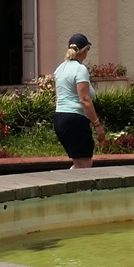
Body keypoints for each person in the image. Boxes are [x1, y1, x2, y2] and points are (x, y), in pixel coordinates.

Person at [53, 33, 106, 168]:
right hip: (75, 120)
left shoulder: (60, 69)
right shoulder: (80, 69)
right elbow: (84, 100)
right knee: (85, 166)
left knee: (80, 164)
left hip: (60, 119)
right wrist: (97, 125)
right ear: (85, 50)